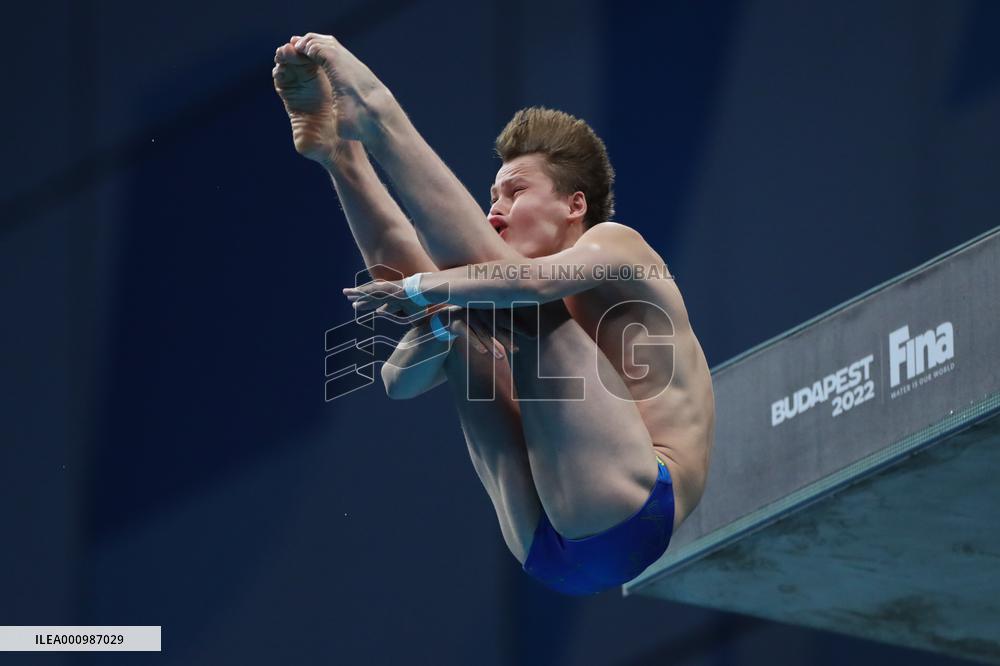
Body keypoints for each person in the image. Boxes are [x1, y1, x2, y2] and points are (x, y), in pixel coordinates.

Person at [273, 33, 715, 596]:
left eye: (514, 192)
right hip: (543, 543)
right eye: (492, 197)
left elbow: (529, 283)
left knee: (509, 304)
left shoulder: (619, 246)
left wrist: (429, 289)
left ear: (574, 204)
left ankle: (379, 115)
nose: (495, 211)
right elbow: (397, 382)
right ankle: (344, 155)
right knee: (472, 319)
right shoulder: (505, 298)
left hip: (635, 506)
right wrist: (434, 315)